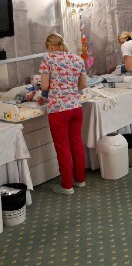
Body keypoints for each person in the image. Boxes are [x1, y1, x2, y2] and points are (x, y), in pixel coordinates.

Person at [39, 33, 87, 195]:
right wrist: (70, 92)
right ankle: (80, 180)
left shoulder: (48, 59)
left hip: (58, 110)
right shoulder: (77, 59)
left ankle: (67, 186)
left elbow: (44, 86)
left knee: (63, 147)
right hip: (76, 108)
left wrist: (45, 95)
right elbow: (83, 84)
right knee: (77, 143)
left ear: (51, 46)